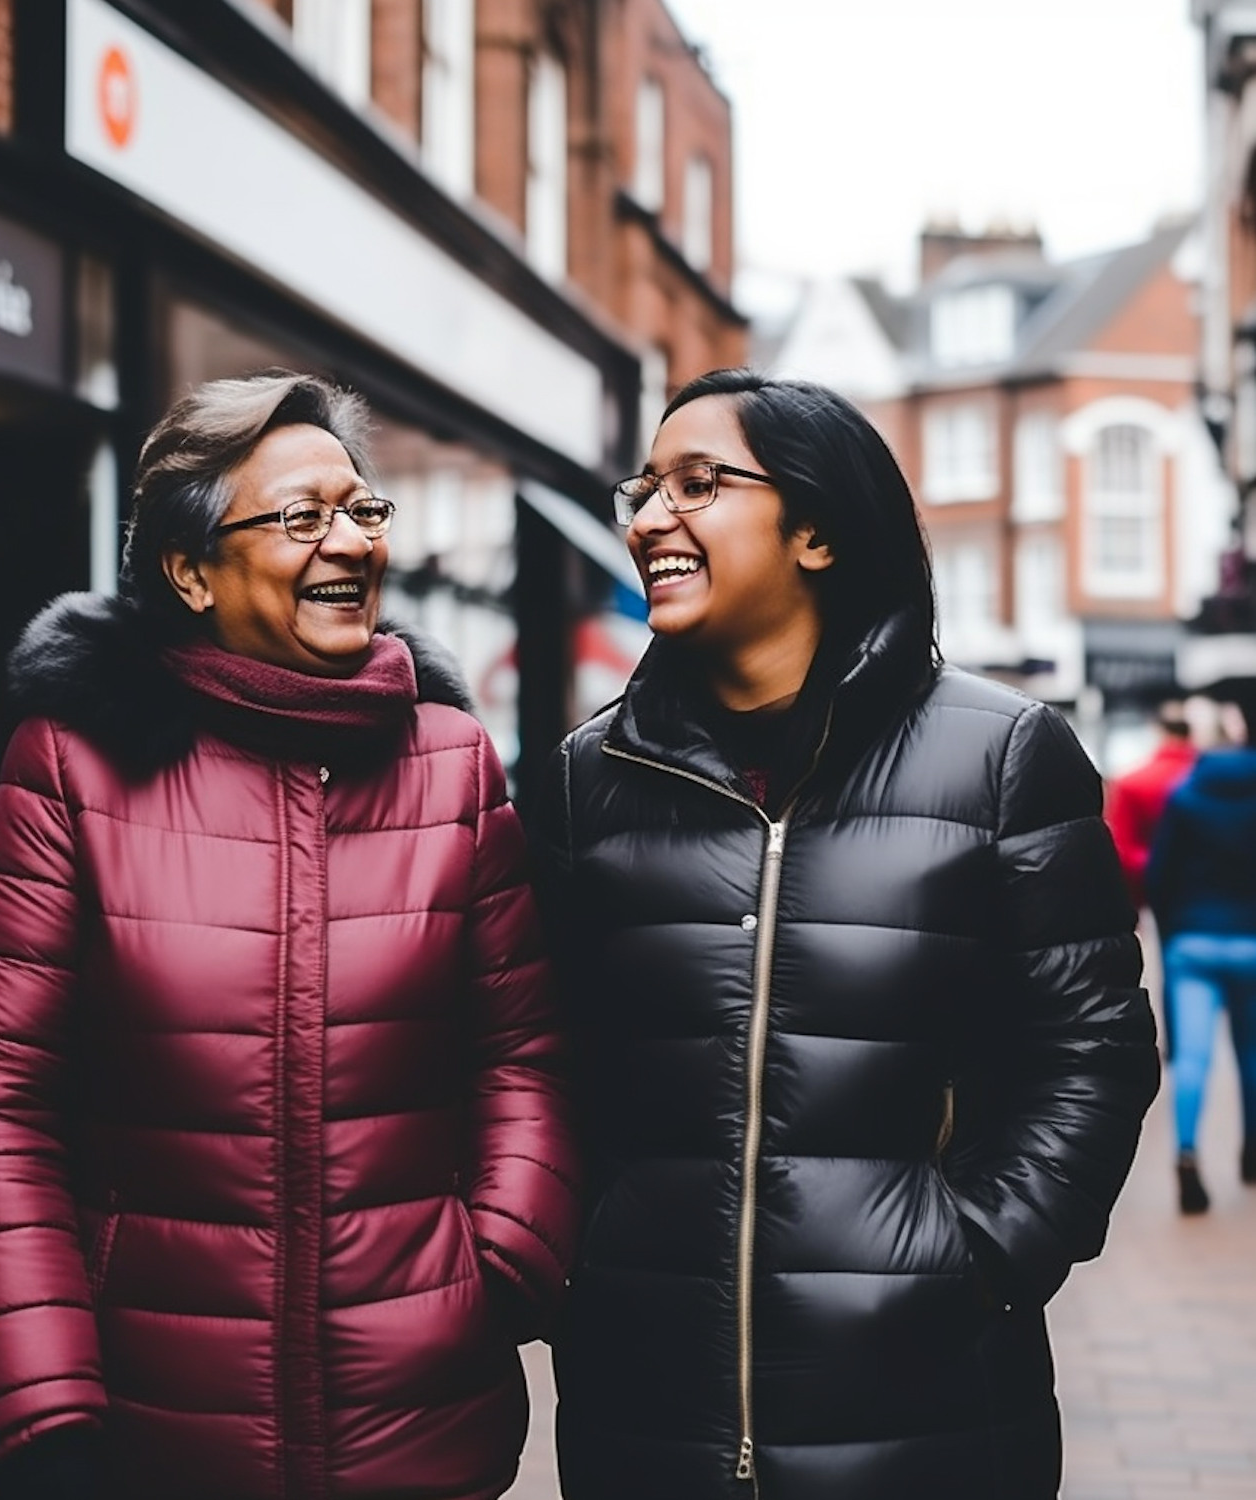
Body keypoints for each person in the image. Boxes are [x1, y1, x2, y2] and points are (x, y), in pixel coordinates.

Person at [0, 370, 579, 1500]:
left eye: (362, 509)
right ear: (189, 569)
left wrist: (501, 1262)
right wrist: (40, 1412)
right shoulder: (73, 767)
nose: (350, 543)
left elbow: (520, 1052)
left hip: (423, 1424)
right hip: (154, 1425)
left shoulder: (450, 764)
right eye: (301, 517)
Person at [530, 368, 1160, 1500]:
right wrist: (583, 1259)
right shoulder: (589, 779)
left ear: (816, 531)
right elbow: (542, 1058)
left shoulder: (1003, 756)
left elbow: (1092, 1055)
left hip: (931, 1407)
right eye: (645, 487)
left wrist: (976, 1259)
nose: (650, 518)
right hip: (646, 1405)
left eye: (699, 483)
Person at [1145, 686, 1256, 1215]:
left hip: (1192, 942)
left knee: (1192, 1058)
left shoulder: (1188, 796)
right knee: (1251, 1054)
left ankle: (1187, 1155)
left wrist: (1172, 930)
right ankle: (1252, 1151)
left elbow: (1159, 876)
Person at [1105, 698, 1198, 1055]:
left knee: (1166, 968)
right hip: (1212, 892)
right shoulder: (1207, 777)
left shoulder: (1133, 782)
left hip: (1154, 890)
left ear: (1158, 732)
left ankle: (1169, 1037)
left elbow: (1123, 847)